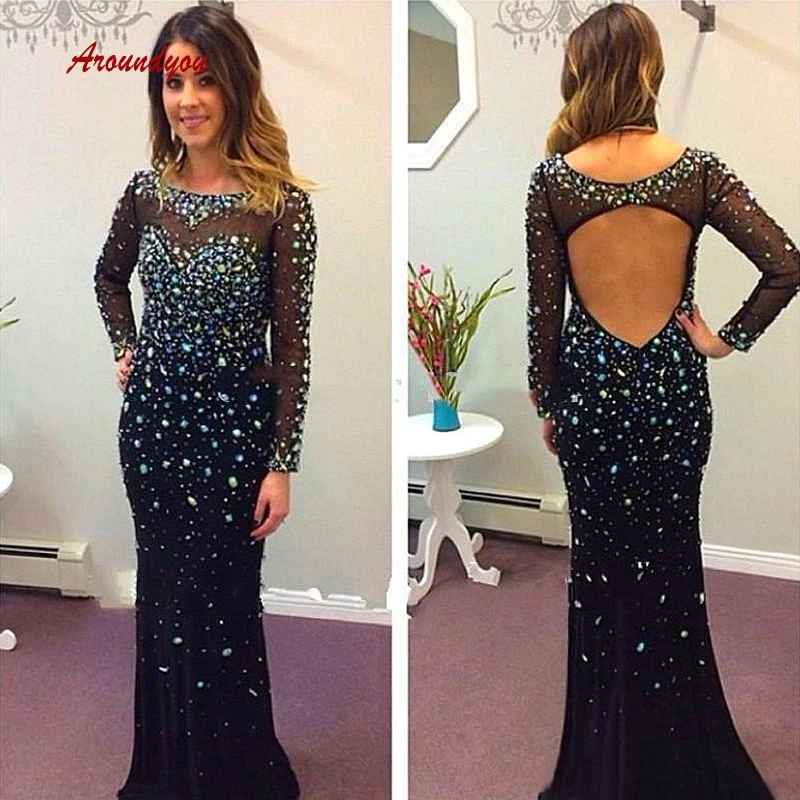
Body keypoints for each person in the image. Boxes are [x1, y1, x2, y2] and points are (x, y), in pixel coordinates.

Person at [525, 4, 799, 799]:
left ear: (580, 74)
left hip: (591, 396)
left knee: (601, 573)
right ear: (649, 69)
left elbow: (546, 313)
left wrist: (548, 400)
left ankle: (608, 761)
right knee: (672, 568)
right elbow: (785, 263)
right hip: (673, 392)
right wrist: (725, 339)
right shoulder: (696, 168)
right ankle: (680, 756)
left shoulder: (553, 178)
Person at [94, 5, 316, 798]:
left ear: (235, 86)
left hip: (234, 441)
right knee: (164, 601)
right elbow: (108, 276)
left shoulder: (280, 204)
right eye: (171, 82)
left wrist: (282, 462)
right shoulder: (145, 192)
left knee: (223, 605)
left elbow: (291, 348)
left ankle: (230, 772)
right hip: (153, 431)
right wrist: (126, 346)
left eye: (204, 80)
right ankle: (169, 772)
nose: (186, 99)